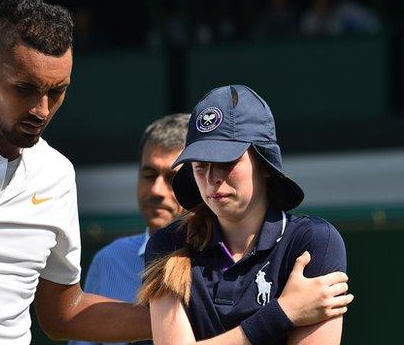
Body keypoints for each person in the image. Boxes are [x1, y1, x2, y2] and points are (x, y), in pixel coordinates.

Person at [0, 0, 352, 344]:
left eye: (57, 92)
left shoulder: (56, 174)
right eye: (25, 89)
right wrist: (267, 318)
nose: (41, 109)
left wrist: (197, 310)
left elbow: (62, 313)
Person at [138, 85, 353, 344]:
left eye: (226, 162)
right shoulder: (168, 245)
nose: (212, 179)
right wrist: (283, 313)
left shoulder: (312, 242)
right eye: (200, 165)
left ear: (264, 164)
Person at [69, 113, 190, 345]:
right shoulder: (110, 261)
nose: (156, 190)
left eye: (172, 178)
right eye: (148, 175)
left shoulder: (223, 261)